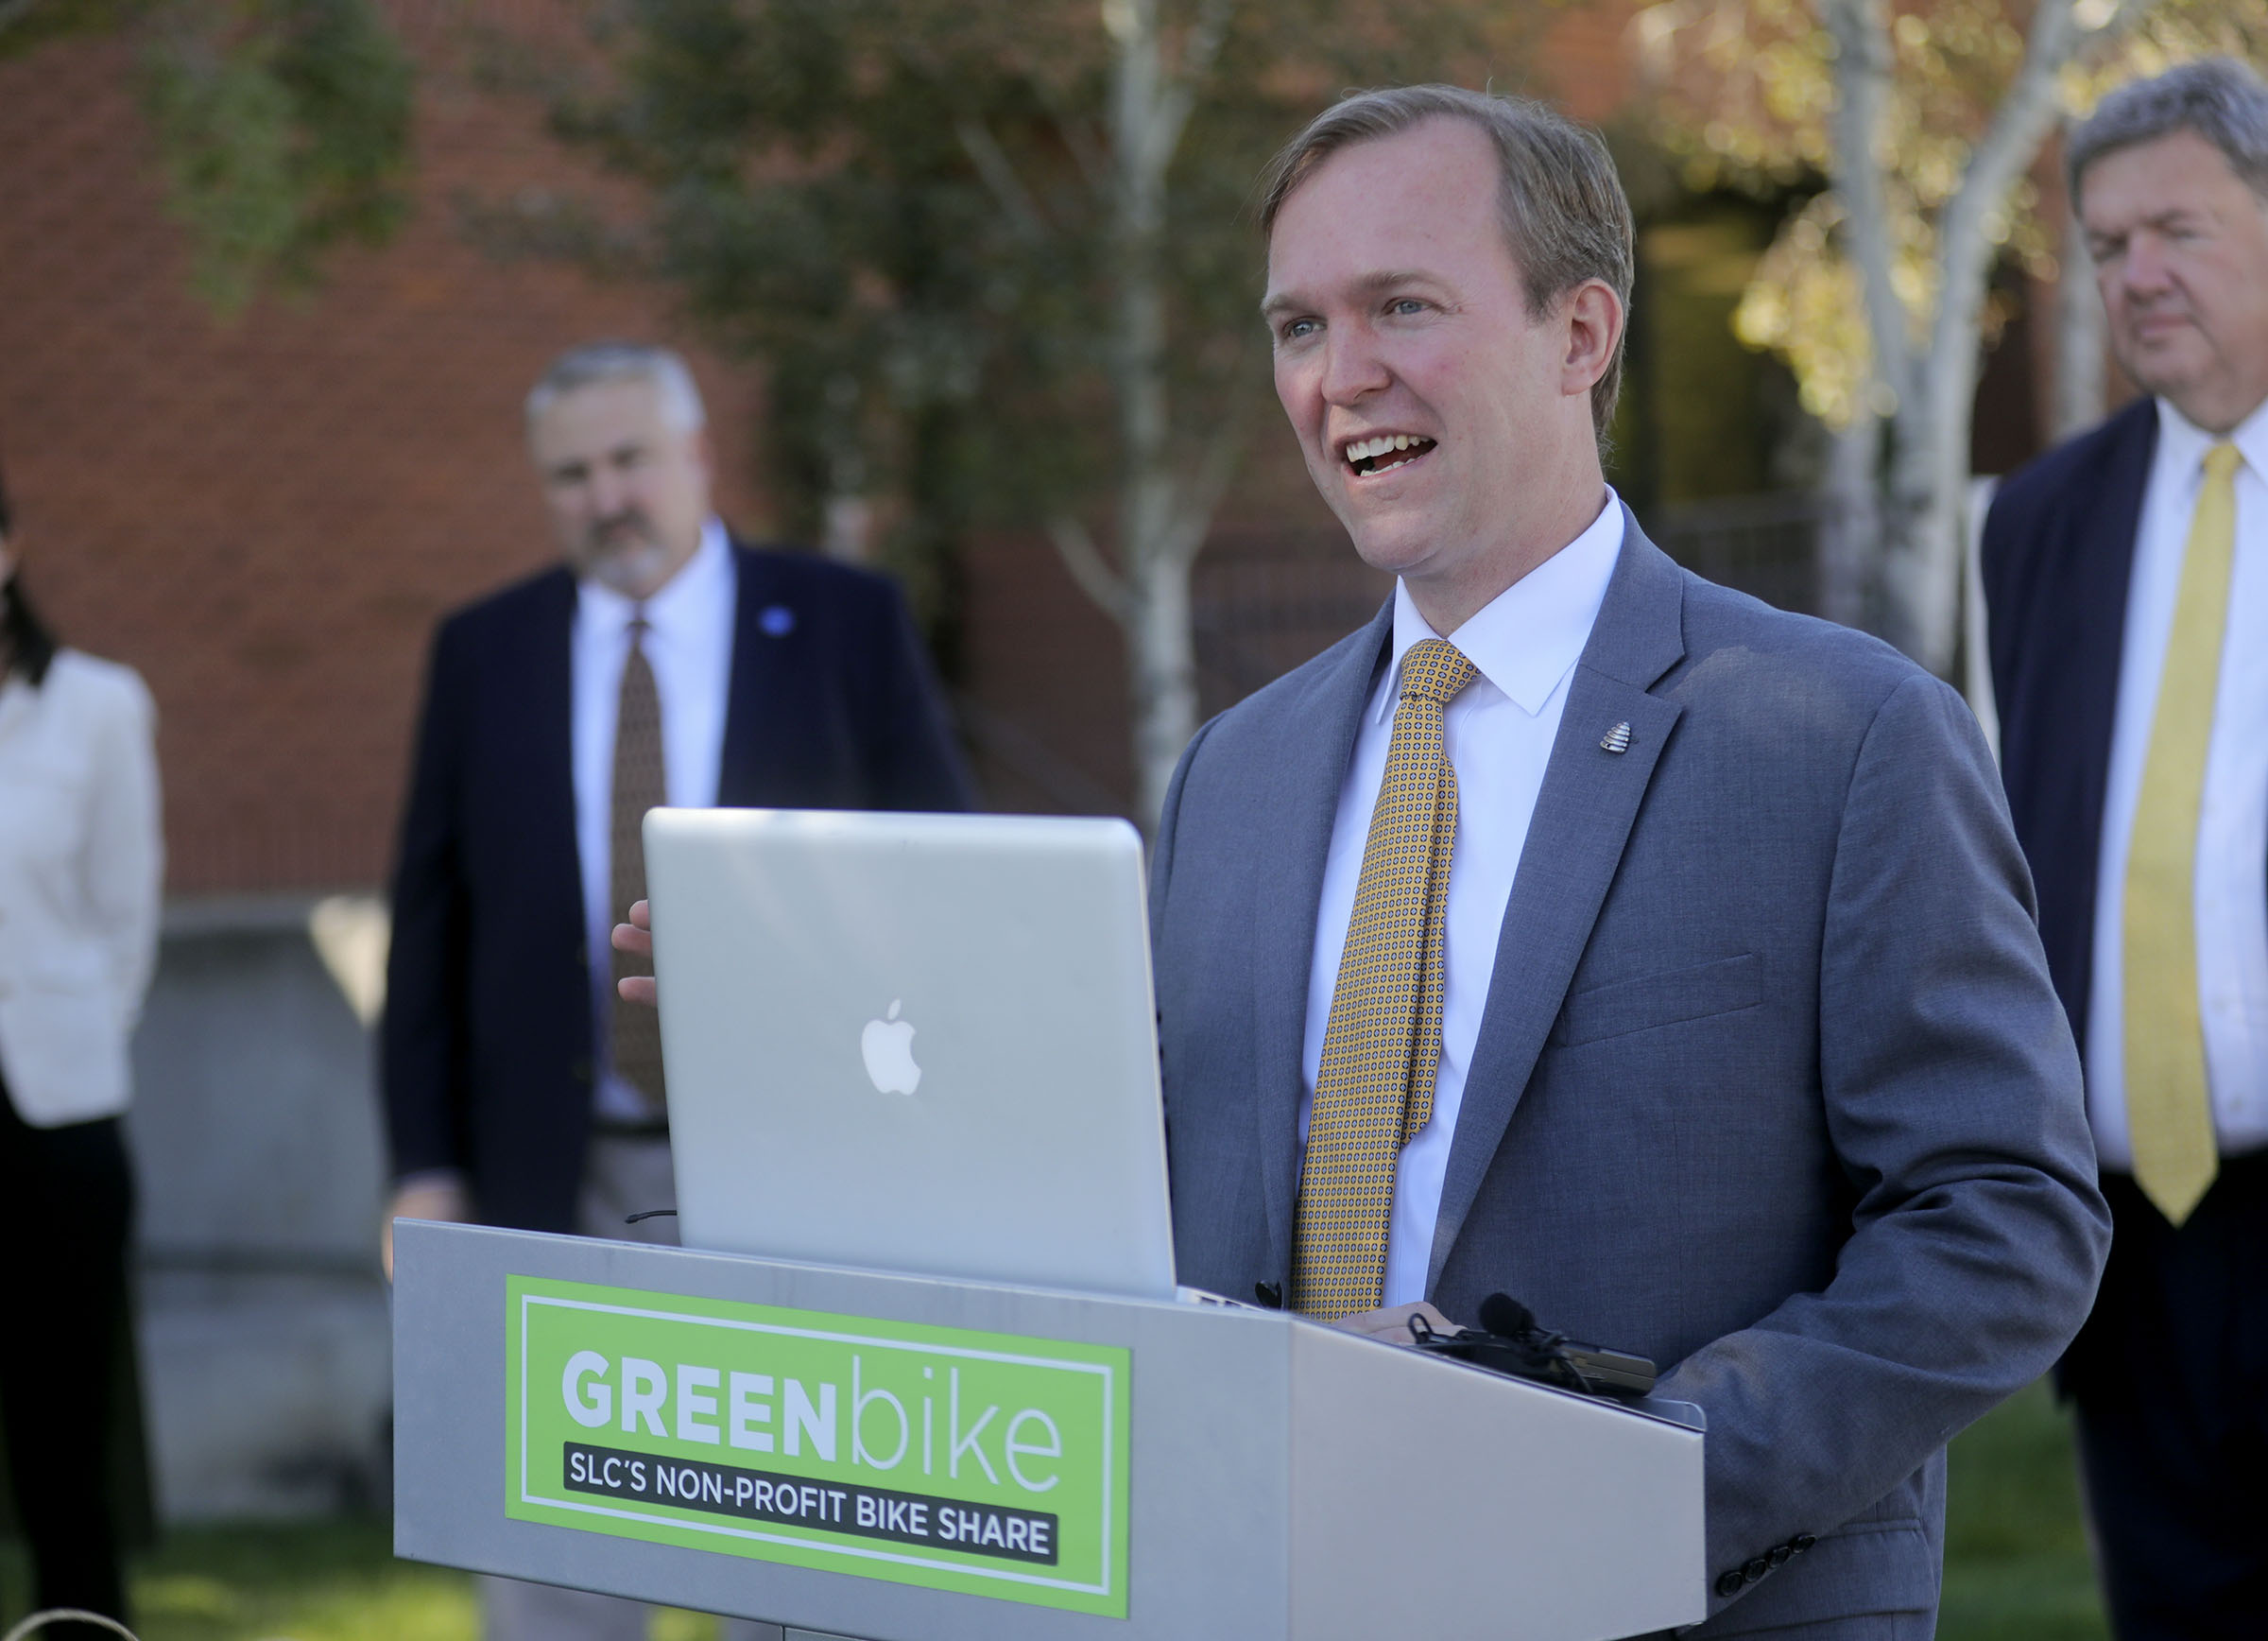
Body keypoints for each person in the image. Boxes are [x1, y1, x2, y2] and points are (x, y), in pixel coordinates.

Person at [618, 88, 2109, 1632]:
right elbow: (1158, 1188)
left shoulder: (1840, 733)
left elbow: (2000, 1215)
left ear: (1582, 333)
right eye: (1298, 326)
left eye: (1403, 305)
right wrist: (843, 1028)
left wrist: (1628, 1478)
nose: (1343, 376)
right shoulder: (1234, 774)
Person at [382, 341, 970, 1641]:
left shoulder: (842, 622)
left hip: (797, 1180)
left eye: (630, 459)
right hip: (557, 1181)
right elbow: (430, 926)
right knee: (557, 1566)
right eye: (572, 475)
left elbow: (937, 890)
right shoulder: (486, 649)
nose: (607, 498)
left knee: (808, 1570)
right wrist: (425, 1165)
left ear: (698, 456)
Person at [1982, 58, 2268, 1636]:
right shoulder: (2042, 520)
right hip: (2136, 1257)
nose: (2136, 274)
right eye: (2104, 245)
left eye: (2177, 229)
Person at [0, 463, 163, 1639]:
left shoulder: (96, 704)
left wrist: (78, 1037)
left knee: (64, 1439)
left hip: (57, 1116)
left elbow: (128, 915)